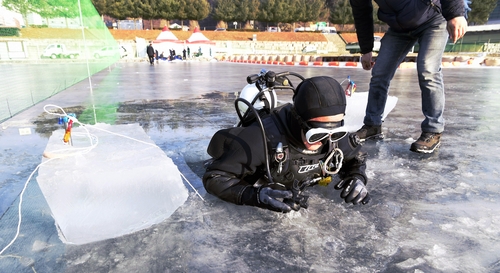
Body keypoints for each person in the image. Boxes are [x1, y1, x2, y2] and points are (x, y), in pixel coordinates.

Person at [203, 76, 371, 213]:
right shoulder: (261, 139)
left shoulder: (334, 137)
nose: (326, 139)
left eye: (335, 131)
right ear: (299, 120)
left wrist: (357, 177)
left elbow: (357, 159)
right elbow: (215, 177)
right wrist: (255, 196)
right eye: (316, 135)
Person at [349, 0, 468, 153]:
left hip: (432, 18)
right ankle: (373, 125)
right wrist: (366, 49)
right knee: (379, 73)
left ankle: (433, 129)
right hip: (399, 28)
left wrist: (456, 13)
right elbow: (361, 13)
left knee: (428, 70)